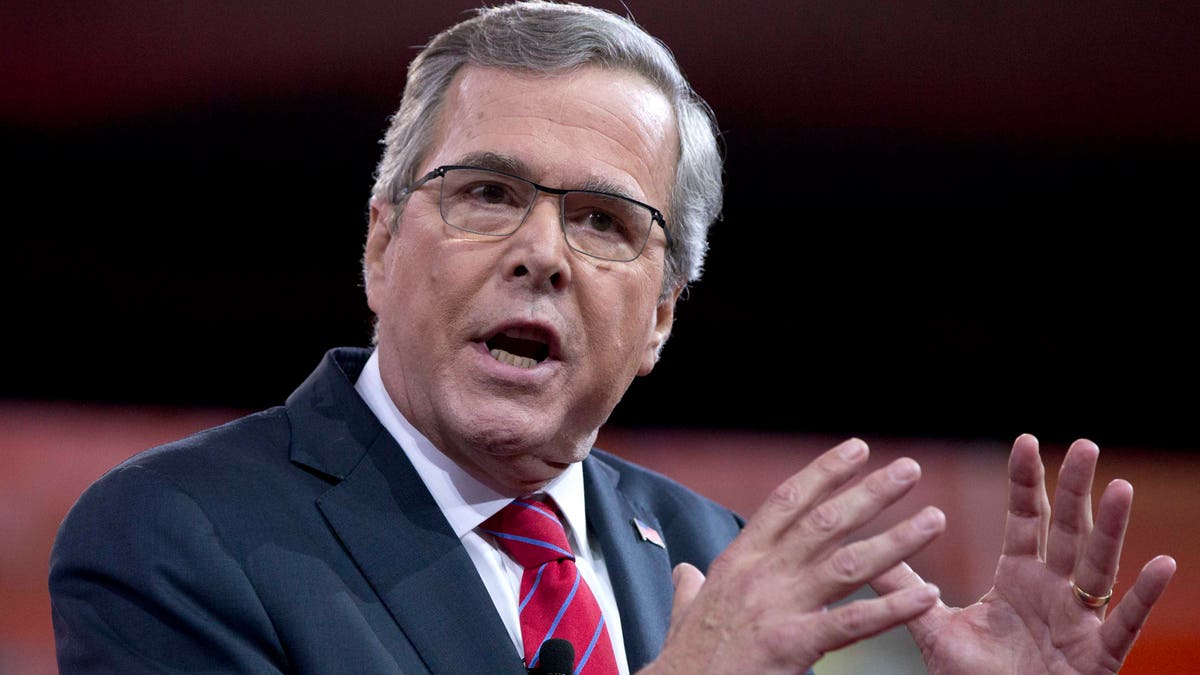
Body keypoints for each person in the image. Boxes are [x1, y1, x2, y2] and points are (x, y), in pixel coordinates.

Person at [49, 2, 1175, 673]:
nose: (542, 252)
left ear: (662, 317)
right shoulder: (178, 537)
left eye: (603, 221)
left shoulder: (709, 551)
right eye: (486, 192)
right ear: (381, 242)